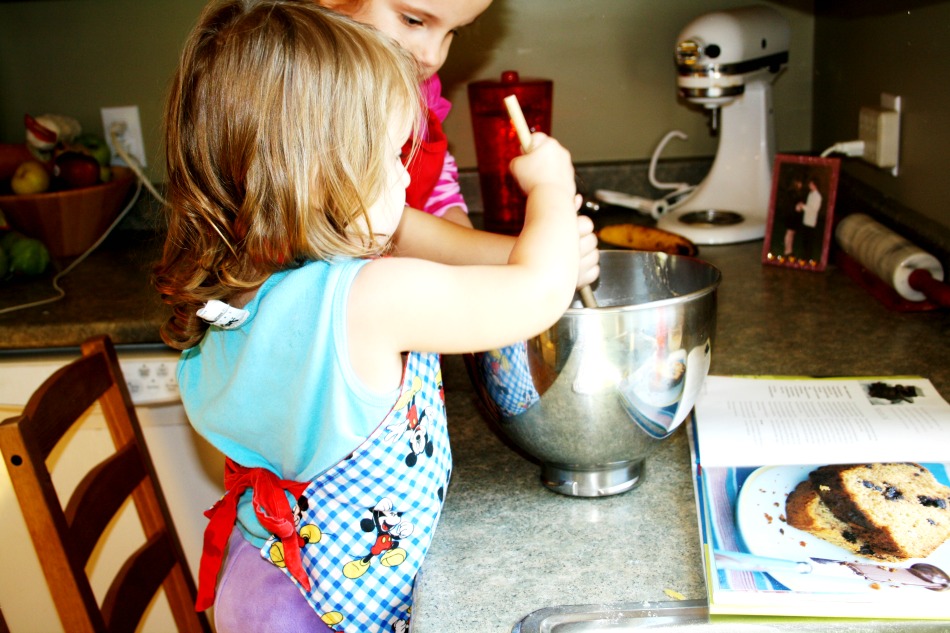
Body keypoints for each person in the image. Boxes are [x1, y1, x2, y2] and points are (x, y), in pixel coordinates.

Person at [154, 2, 599, 632]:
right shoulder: (372, 299)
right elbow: (535, 296)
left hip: (262, 583)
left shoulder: (239, 287)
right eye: (393, 156)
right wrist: (551, 190)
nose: (404, 174)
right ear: (326, 175)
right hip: (326, 614)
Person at [320, 0, 493, 228]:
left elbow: (434, 174)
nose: (433, 57)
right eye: (413, 21)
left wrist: (455, 220)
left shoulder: (423, 89)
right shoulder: (303, 93)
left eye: (453, 31)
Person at [795, 177, 823, 260]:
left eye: (811, 184)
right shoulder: (810, 194)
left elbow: (814, 209)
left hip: (811, 222)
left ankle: (807, 258)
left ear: (815, 185)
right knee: (804, 240)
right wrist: (803, 205)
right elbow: (808, 205)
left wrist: (803, 206)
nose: (809, 185)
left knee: (809, 242)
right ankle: (804, 256)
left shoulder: (818, 196)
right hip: (806, 220)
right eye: (809, 184)